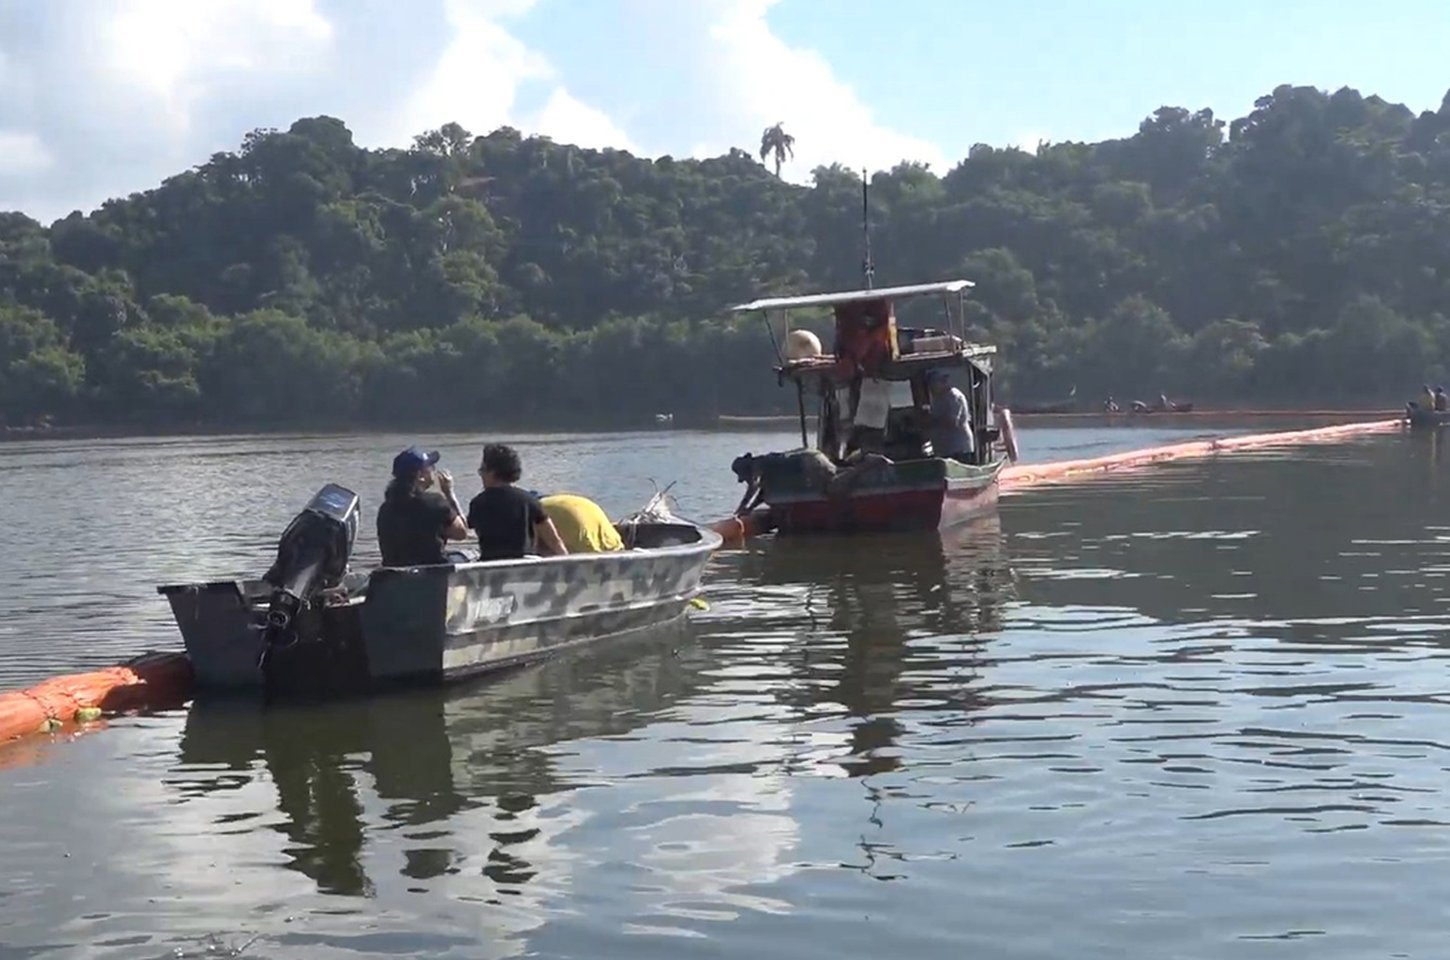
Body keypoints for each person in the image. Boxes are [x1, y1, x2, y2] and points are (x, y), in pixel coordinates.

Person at [467, 443, 568, 561]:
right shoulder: (529, 500)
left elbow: (465, 530)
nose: (481, 476)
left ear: (492, 473)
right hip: (525, 564)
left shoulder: (478, 503)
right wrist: (568, 562)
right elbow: (554, 540)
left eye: (482, 471)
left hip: (491, 565)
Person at [376, 446, 469, 567]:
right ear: (420, 475)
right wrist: (449, 493)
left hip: (394, 573)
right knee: (467, 555)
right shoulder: (435, 503)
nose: (433, 470)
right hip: (433, 572)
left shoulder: (385, 509)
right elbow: (462, 533)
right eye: (430, 467)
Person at [541, 493, 624, 553]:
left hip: (582, 542)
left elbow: (554, 541)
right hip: (590, 510)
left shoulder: (537, 510)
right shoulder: (550, 502)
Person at [925, 369, 975, 461]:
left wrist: (932, 420)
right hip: (946, 449)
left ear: (941, 382)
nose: (931, 388)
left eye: (933, 384)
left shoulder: (953, 396)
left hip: (958, 448)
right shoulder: (938, 398)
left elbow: (952, 421)